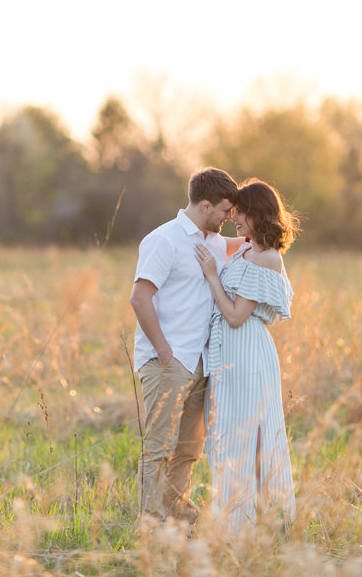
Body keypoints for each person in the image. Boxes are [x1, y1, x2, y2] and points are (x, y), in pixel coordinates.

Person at [129, 167, 239, 526]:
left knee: (188, 449)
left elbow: (257, 243)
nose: (229, 217)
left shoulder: (215, 242)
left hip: (202, 362)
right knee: (159, 446)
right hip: (169, 360)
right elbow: (140, 297)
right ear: (205, 205)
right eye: (225, 210)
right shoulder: (165, 240)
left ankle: (174, 510)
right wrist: (163, 351)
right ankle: (150, 520)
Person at [194, 178, 299, 533]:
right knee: (227, 433)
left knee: (250, 435)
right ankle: (235, 520)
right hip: (228, 355)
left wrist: (211, 276)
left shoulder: (268, 258)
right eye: (233, 211)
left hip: (249, 353)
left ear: (258, 213)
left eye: (240, 212)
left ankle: (259, 524)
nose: (234, 218)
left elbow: (237, 316)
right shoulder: (246, 249)